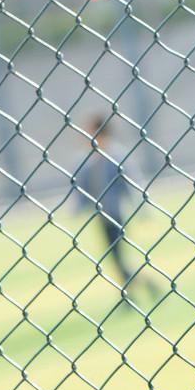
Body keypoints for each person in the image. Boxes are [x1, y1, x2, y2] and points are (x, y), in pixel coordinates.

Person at [75, 114, 154, 300]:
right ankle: (137, 289)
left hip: (116, 215)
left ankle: (132, 293)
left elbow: (131, 184)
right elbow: (84, 188)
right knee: (116, 259)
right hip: (101, 216)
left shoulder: (115, 157)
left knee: (118, 258)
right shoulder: (90, 160)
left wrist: (141, 209)